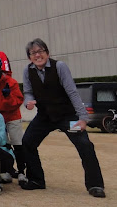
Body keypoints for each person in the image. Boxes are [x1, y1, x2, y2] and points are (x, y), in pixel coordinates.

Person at [21, 38, 105, 197]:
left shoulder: (59, 66)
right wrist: (28, 103)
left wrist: (83, 118)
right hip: (44, 117)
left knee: (85, 145)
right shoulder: (27, 71)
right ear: (29, 57)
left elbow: (72, 92)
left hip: (67, 117)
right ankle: (36, 180)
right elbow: (28, 92)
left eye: (41, 51)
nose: (37, 55)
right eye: (33, 53)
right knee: (27, 142)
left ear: (47, 52)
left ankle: (95, 185)